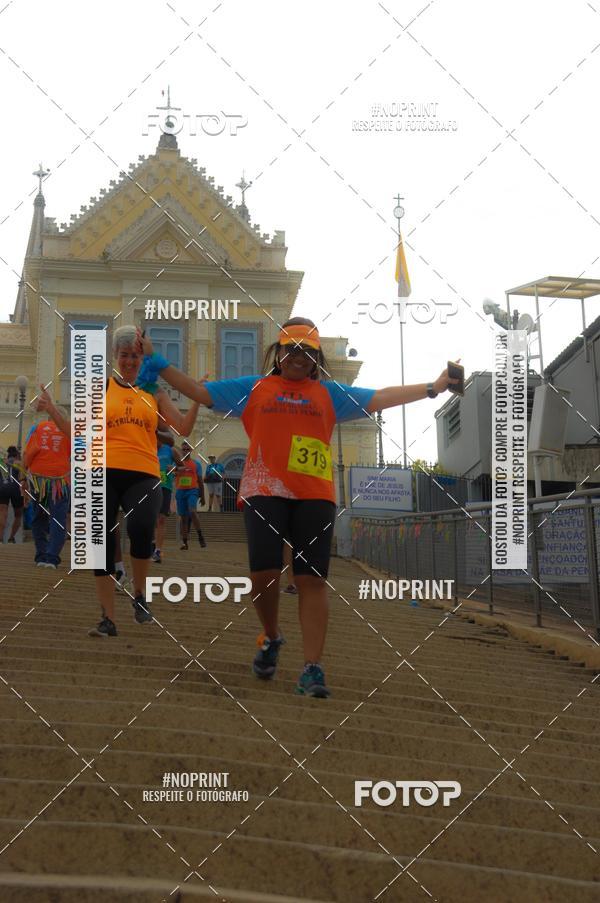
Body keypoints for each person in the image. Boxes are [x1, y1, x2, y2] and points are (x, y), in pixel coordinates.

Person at [135, 318, 459, 697]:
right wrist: (156, 361)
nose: (299, 357)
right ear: (278, 352)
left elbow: (382, 396)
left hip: (314, 495)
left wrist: (433, 388)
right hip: (264, 489)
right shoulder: (254, 388)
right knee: (264, 575)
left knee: (311, 580)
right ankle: (272, 635)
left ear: (316, 358)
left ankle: (312, 668)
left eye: (307, 351)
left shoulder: (329, 394)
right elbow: (198, 391)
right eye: (292, 349)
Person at [37, 325, 201, 637]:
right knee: (100, 541)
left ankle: (139, 594)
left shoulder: (154, 392)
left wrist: (196, 400)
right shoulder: (100, 389)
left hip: (144, 472)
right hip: (102, 471)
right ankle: (107, 618)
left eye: (135, 356)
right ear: (115, 355)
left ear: (143, 358)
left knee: (141, 527)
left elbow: (183, 428)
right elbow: (74, 431)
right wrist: (51, 409)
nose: (129, 361)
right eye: (124, 355)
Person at [23, 415, 71, 568]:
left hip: (38, 480)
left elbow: (28, 454)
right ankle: (52, 557)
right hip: (60, 480)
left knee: (39, 517)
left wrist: (23, 479)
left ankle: (41, 556)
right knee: (58, 519)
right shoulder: (69, 428)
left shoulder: (37, 428)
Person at [153, 429, 182, 563]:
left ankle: (158, 550)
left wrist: (175, 469)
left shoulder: (170, 450)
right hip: (150, 485)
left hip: (165, 486)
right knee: (150, 518)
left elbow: (182, 467)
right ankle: (152, 543)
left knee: (161, 519)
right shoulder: (147, 448)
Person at [175, 441, 206, 550]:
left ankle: (200, 535)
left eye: (188, 449)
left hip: (192, 490)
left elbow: (200, 481)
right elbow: (171, 473)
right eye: (184, 449)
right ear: (181, 451)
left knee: (192, 511)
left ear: (191, 450)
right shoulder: (177, 463)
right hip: (180, 492)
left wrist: (203, 496)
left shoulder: (196, 464)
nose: (186, 451)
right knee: (183, 518)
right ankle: (185, 543)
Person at [0, 446, 25, 543]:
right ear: (17, 455)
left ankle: (0, 538)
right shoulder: (19, 463)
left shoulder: (2, 462)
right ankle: (11, 537)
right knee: (18, 515)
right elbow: (22, 478)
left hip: (3, 488)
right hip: (16, 489)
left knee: (2, 513)